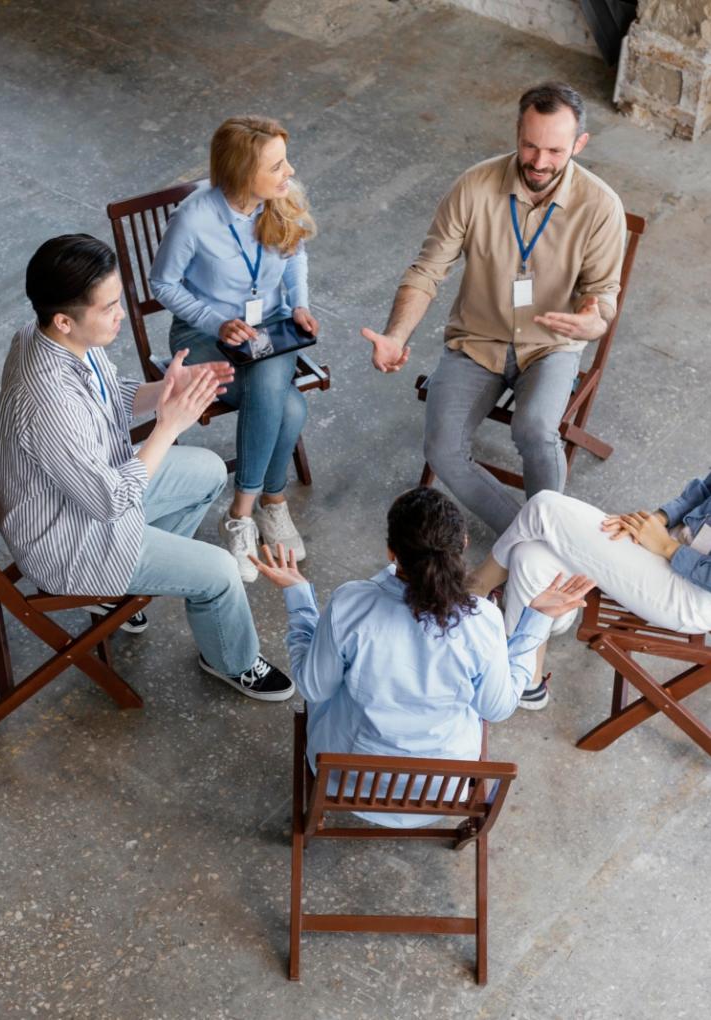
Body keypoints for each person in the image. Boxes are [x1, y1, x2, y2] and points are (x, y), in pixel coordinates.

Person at [0, 233, 294, 701]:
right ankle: (230, 659)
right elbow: (110, 501)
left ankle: (123, 590)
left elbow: (110, 396)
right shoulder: (47, 399)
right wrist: (167, 426)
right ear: (65, 320)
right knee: (218, 572)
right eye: (108, 308)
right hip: (70, 541)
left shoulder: (46, 336)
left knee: (209, 470)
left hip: (80, 499)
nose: (120, 316)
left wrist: (166, 389)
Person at [361, 82, 626, 535]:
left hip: (550, 347)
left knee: (536, 431)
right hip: (476, 340)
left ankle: (544, 535)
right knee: (441, 450)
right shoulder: (474, 186)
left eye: (556, 151)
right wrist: (397, 335)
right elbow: (427, 270)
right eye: (529, 145)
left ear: (580, 143)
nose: (539, 163)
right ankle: (530, 537)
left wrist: (589, 321)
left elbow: (602, 297)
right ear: (517, 132)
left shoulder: (602, 207)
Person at [253, 487, 590, 825]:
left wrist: (299, 600)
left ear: (391, 552)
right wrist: (536, 622)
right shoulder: (483, 621)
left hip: (348, 782)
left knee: (332, 681)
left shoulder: (351, 604)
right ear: (464, 544)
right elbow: (496, 708)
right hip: (441, 791)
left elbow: (314, 688)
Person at [149, 115, 318, 581]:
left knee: (269, 377)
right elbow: (162, 283)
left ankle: (241, 514)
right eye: (277, 166)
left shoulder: (279, 201)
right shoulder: (194, 218)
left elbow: (295, 254)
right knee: (289, 408)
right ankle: (268, 500)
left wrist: (299, 305)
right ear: (245, 174)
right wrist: (216, 322)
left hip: (268, 328)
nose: (290, 173)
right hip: (203, 336)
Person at [471, 475, 711, 709]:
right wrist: (658, 519)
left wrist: (667, 547)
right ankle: (528, 683)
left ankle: (469, 595)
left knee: (543, 508)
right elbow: (705, 487)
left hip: (691, 591)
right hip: (671, 540)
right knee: (530, 556)